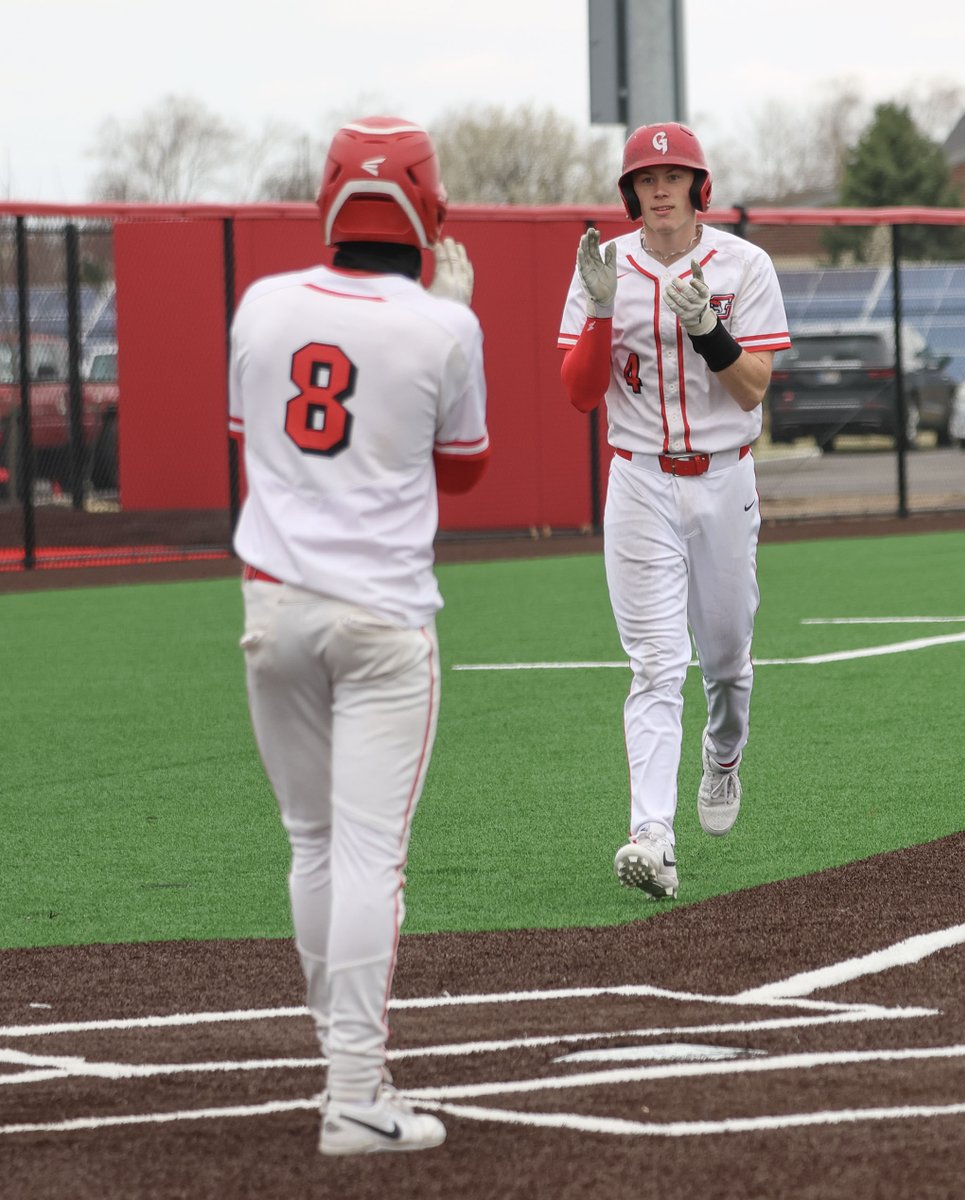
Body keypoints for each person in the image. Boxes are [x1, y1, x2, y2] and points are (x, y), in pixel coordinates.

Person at [228, 115, 489, 1155]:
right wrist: (451, 316)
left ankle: (343, 1071)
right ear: (427, 208)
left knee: (313, 846)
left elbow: (250, 439)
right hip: (382, 618)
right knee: (371, 856)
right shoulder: (441, 325)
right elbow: (463, 469)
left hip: (275, 605)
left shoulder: (262, 303)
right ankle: (354, 1094)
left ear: (328, 198)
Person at [557, 122, 790, 901]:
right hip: (640, 480)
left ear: (698, 186)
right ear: (630, 193)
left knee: (725, 661)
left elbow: (754, 386)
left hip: (725, 478)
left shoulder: (744, 264)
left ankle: (724, 758)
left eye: (674, 175)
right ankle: (651, 836)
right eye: (646, 178)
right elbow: (580, 393)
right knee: (657, 664)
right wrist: (596, 312)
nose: (659, 188)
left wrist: (708, 331)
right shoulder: (605, 266)